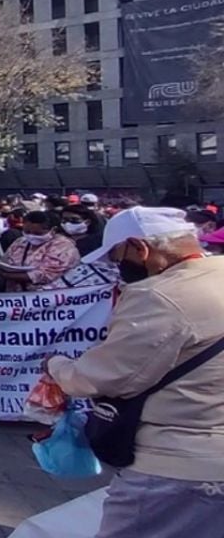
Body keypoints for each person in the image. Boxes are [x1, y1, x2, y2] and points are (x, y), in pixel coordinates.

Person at [45, 207, 224, 537]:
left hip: (175, 467)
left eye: (117, 256)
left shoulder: (158, 296)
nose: (118, 267)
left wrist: (56, 366)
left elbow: (102, 376)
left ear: (140, 248)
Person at [0, 211, 80, 291]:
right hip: (16, 297)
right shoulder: (21, 242)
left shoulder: (63, 246)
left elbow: (49, 273)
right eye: (27, 232)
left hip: (47, 298)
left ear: (53, 230)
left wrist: (8, 275)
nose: (31, 236)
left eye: (38, 233)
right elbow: (5, 261)